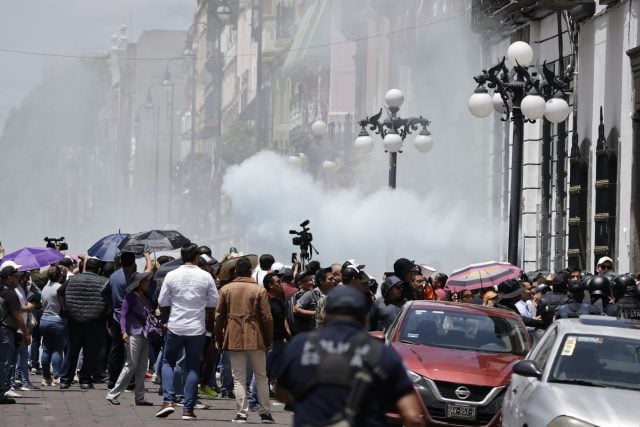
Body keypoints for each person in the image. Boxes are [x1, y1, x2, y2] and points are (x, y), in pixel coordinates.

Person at [275, 286, 425, 427]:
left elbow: (281, 393)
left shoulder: (300, 345)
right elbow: (412, 416)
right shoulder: (384, 355)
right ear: (363, 318)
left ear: (325, 314)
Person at [155, 243, 218, 420]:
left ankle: (168, 400)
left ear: (182, 257)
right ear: (197, 258)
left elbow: (162, 300)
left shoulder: (171, 275)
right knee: (192, 367)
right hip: (196, 328)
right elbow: (213, 302)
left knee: (168, 362)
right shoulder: (205, 276)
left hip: (175, 325)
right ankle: (188, 409)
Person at [214, 256, 275, 424]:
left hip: (233, 335)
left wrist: (218, 337)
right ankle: (265, 413)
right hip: (255, 335)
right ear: (250, 271)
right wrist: (269, 338)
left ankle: (241, 413)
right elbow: (267, 318)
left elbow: (218, 317)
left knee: (239, 377)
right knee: (261, 375)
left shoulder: (226, 289)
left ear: (235, 271)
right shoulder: (259, 290)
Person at [58, 256, 109, 390]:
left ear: (86, 267)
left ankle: (65, 380)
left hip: (74, 320)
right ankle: (85, 380)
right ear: (98, 269)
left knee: (72, 351)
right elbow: (110, 300)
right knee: (90, 353)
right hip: (95, 322)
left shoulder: (72, 279)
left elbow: (60, 292)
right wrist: (104, 314)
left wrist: (64, 309)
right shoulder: (104, 281)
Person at [106, 271, 154, 406]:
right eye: (145, 281)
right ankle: (113, 394)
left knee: (142, 368)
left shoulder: (147, 297)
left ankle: (140, 397)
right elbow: (123, 316)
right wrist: (123, 332)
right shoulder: (130, 297)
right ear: (139, 283)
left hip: (145, 334)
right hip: (133, 334)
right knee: (130, 365)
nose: (148, 283)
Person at [0, 262, 30, 404]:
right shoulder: (10, 293)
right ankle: (1, 393)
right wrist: (26, 333)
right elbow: (17, 316)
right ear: (9, 277)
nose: (19, 279)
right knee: (5, 362)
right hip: (6, 330)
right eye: (16, 277)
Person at [39, 264, 67, 386]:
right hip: (56, 319)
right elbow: (63, 305)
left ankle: (46, 377)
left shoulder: (45, 287)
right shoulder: (59, 288)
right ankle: (57, 376)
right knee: (57, 349)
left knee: (46, 349)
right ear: (59, 275)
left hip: (44, 319)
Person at [294, 267, 334, 331]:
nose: (333, 281)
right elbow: (296, 309)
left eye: (333, 279)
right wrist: (315, 313)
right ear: (321, 281)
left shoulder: (334, 294)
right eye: (330, 279)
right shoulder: (311, 294)